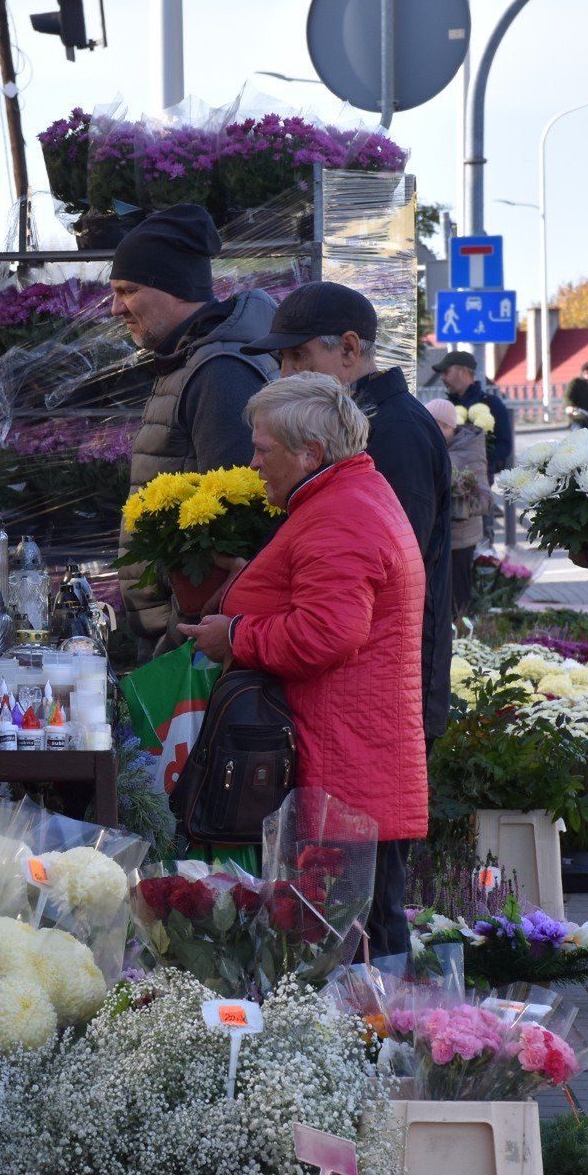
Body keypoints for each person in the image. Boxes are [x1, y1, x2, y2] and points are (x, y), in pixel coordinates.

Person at [178, 373, 427, 955]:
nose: (254, 461)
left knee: (350, 936)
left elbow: (327, 633)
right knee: (360, 926)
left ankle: (379, 1042)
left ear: (309, 453)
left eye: (263, 449)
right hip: (350, 752)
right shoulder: (346, 496)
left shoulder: (341, 514)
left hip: (343, 763)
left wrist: (236, 635)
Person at [248, 282, 453, 748]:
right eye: (280, 361)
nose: (284, 374)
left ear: (349, 349)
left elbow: (380, 574)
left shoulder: (395, 431)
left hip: (385, 688)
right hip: (355, 681)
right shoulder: (363, 421)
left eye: (297, 357)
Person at [108, 203, 279, 646]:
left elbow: (241, 534)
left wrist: (178, 636)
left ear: (174, 286)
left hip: (191, 646)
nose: (114, 308)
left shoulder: (221, 373)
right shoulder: (186, 361)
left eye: (127, 290)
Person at [427, 398, 489, 619]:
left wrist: (460, 498)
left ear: (446, 426)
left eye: (431, 425)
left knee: (459, 601)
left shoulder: (469, 451)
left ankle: (464, 641)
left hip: (460, 540)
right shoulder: (436, 447)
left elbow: (485, 499)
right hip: (438, 537)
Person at [433, 351, 513, 475]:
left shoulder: (492, 404)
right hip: (446, 480)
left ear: (463, 371)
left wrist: (477, 459)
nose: (442, 377)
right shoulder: (445, 406)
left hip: (479, 482)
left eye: (446, 372)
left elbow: (504, 445)